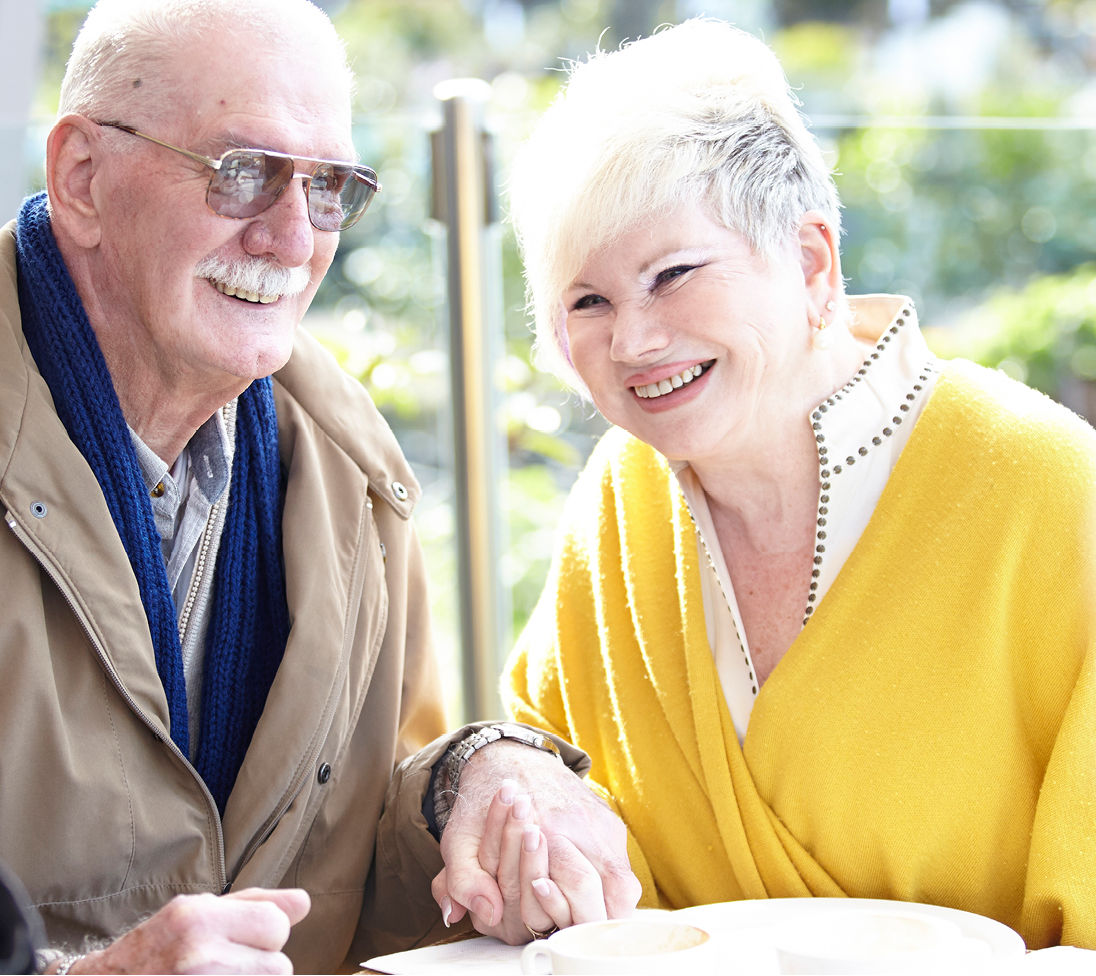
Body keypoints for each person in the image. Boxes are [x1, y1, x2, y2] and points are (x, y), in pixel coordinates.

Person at [0, 1, 636, 972]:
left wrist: (477, 778)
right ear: (82, 178)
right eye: (242, 172)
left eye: (330, 184)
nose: (294, 237)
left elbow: (363, 857)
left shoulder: (349, 472)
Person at [494, 17, 1096, 951]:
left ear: (811, 262)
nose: (634, 342)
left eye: (673, 273)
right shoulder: (619, 503)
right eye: (588, 301)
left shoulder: (1047, 489)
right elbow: (537, 775)